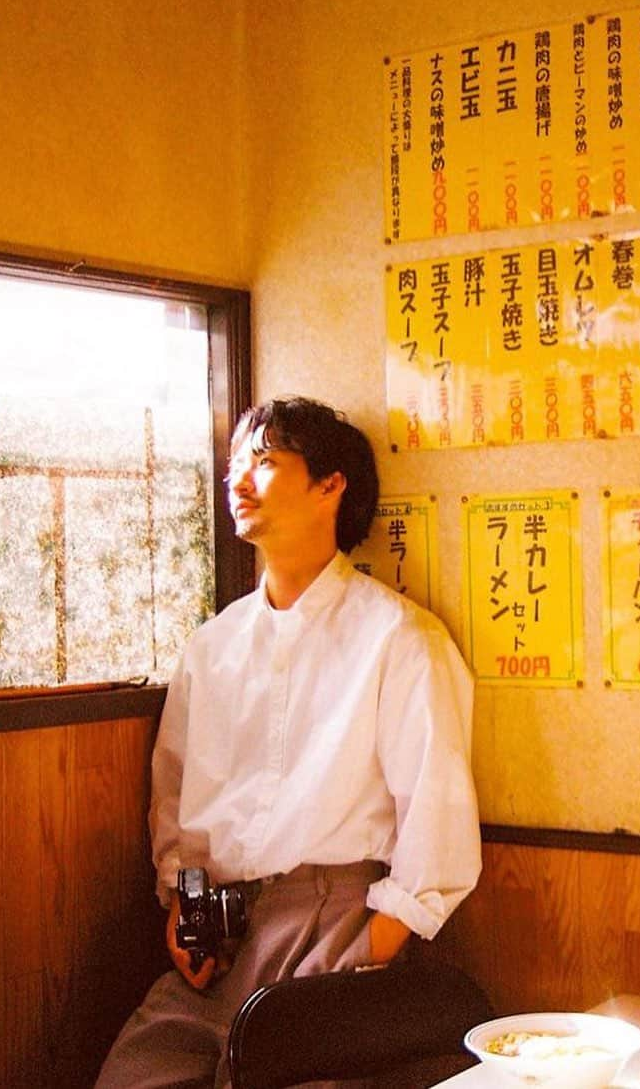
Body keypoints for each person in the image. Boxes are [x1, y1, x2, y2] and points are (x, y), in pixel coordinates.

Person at [95, 396, 482, 1088]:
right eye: (234, 466)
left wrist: (373, 947)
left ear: (330, 485)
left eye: (265, 462)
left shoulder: (397, 638)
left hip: (336, 925)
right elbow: (174, 796)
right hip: (218, 935)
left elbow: (436, 811)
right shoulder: (210, 647)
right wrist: (183, 907)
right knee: (133, 1075)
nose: (238, 481)